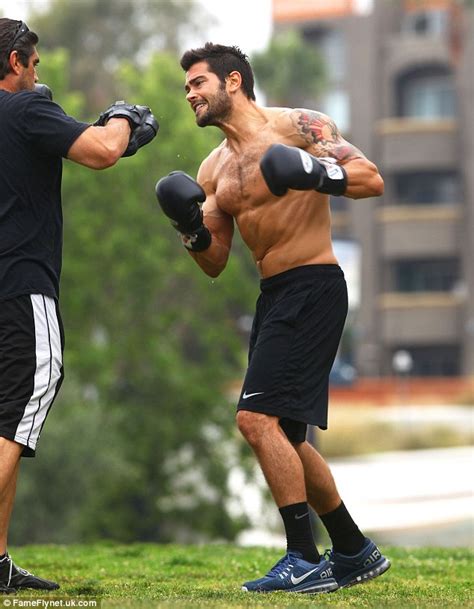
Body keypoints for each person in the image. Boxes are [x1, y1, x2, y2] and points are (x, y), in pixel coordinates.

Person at [156, 42, 390, 594]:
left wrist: (315, 172)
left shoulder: (298, 126)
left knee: (255, 420)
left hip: (315, 283)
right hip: (273, 294)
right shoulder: (213, 169)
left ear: (232, 81)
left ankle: (303, 557)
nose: (189, 93)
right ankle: (354, 549)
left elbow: (371, 179)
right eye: (186, 86)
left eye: (197, 83)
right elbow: (214, 262)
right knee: (286, 434)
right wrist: (190, 225)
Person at [0, 18, 157, 593]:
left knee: (3, 417)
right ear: (15, 62)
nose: (38, 75)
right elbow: (102, 152)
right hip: (21, 287)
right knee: (27, 400)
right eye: (35, 64)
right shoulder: (22, 110)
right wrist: (123, 115)